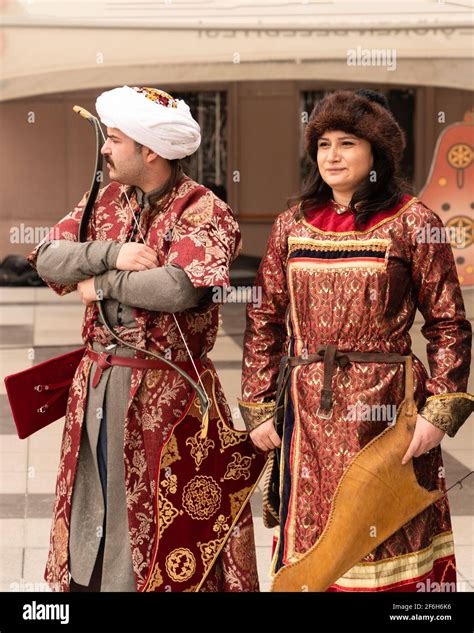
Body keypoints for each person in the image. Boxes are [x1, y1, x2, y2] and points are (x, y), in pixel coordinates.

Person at [238, 89, 473, 592]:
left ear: (377, 154)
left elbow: (449, 323)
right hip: (307, 411)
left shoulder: (413, 222)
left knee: (388, 532)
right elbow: (264, 320)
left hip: (387, 410)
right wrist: (258, 404)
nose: (333, 156)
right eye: (323, 144)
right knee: (316, 542)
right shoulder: (290, 224)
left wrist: (438, 412)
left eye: (347, 143)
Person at [27, 85, 259, 592]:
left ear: (149, 150)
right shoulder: (104, 199)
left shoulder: (205, 210)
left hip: (169, 395)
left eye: (113, 139)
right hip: (99, 382)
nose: (104, 149)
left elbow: (178, 287)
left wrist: (100, 284)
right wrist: (113, 252)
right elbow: (47, 257)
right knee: (98, 495)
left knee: (167, 518)